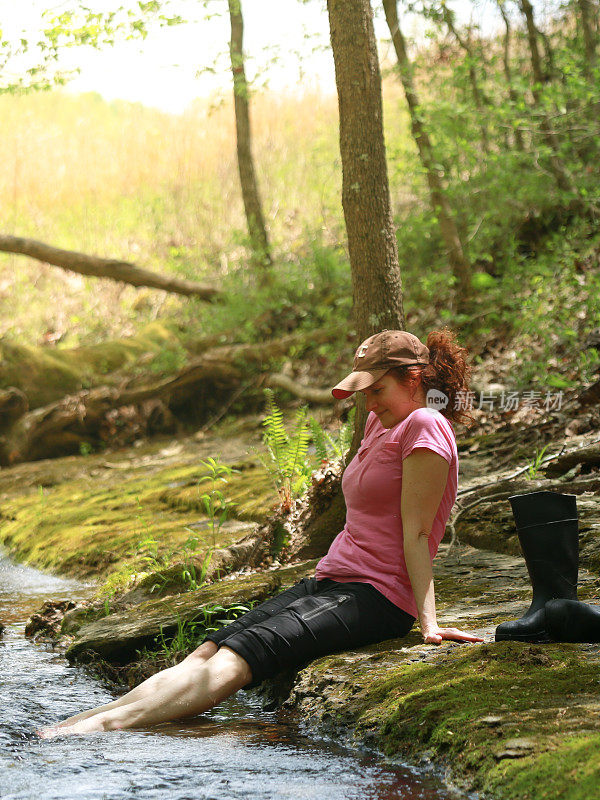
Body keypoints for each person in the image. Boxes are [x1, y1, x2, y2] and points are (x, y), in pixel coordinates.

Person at [40, 328, 483, 737]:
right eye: (363, 394)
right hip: (332, 579)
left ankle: (94, 735)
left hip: (377, 596)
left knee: (240, 658)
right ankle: (74, 724)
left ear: (414, 377)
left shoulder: (426, 426)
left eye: (377, 391)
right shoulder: (378, 423)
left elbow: (420, 532)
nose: (368, 404)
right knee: (209, 650)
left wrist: (429, 624)